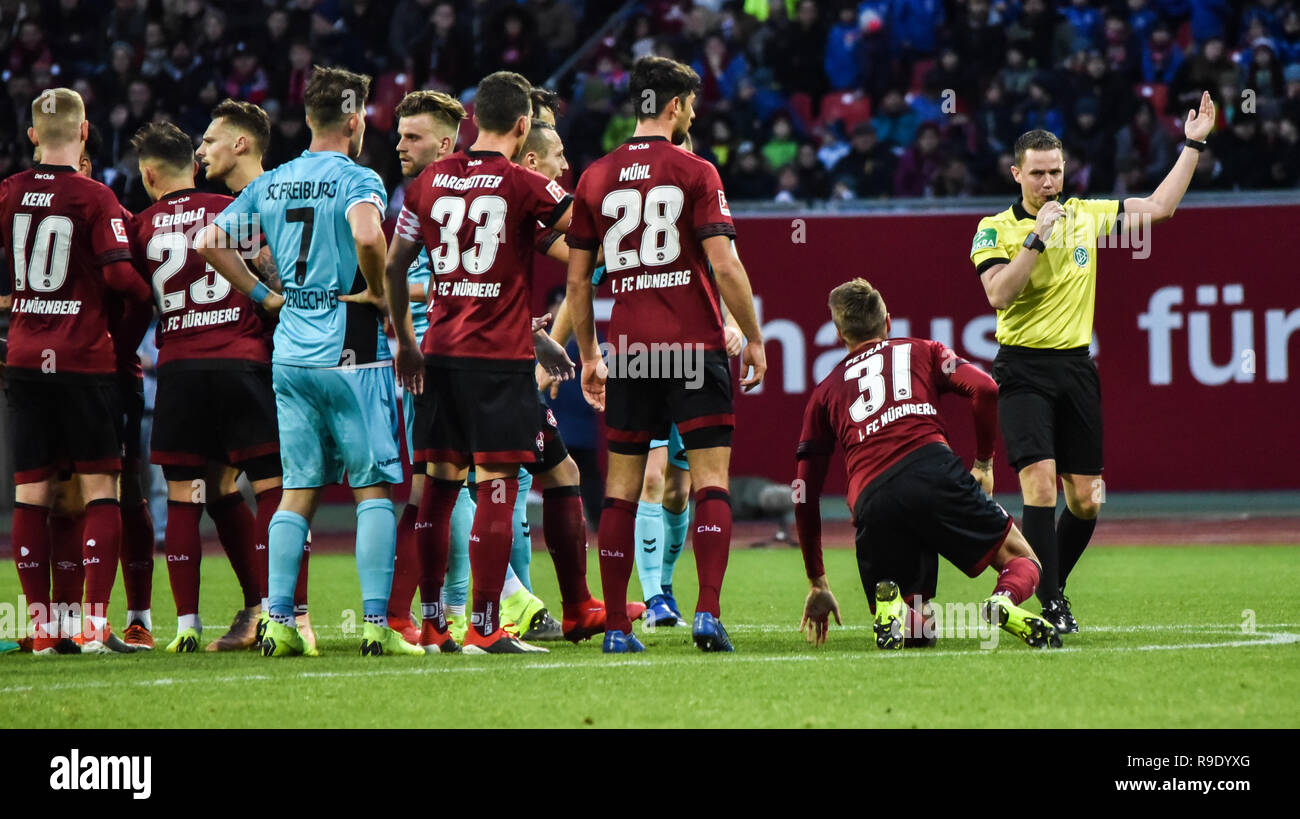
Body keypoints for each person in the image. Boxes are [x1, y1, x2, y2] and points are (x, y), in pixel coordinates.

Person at [969, 92, 1216, 633]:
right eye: (1037, 174)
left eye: (1056, 172)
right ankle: (1051, 602)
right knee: (1038, 484)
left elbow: (1160, 209)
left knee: (1086, 499)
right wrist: (1036, 238)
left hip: (1077, 368)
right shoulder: (994, 228)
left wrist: (1193, 143)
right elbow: (999, 296)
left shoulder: (1087, 216)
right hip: (1022, 367)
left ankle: (1046, 582)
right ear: (1017, 174)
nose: (1049, 183)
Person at [197, 66, 421, 658]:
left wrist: (265, 296)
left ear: (308, 119)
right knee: (372, 489)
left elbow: (211, 242)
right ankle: (376, 626)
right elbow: (370, 236)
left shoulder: (275, 180)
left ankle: (280, 624)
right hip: (350, 349)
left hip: (291, 348)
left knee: (298, 490)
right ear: (356, 121)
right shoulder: (358, 177)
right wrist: (377, 290)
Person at [565, 56, 767, 653]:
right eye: (692, 104)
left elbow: (578, 283)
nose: (694, 114)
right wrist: (753, 337)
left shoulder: (595, 176)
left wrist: (591, 354)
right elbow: (725, 264)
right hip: (693, 347)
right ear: (674, 106)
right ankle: (706, 612)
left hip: (629, 351)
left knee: (620, 492)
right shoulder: (695, 169)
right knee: (710, 485)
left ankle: (620, 630)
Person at [385, 71, 577, 655]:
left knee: (436, 492)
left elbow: (395, 268)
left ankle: (434, 621)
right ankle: (487, 626)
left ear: (472, 121)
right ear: (523, 126)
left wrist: (406, 343)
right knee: (497, 488)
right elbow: (587, 232)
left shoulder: (427, 184)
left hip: (438, 355)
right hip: (497, 362)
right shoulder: (525, 184)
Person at [794, 278, 1060, 650]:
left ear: (839, 334)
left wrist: (817, 581)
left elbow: (804, 493)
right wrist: (984, 462)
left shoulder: (824, 393)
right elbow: (985, 388)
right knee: (1022, 558)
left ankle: (896, 609)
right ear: (888, 321)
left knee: (921, 631)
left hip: (873, 498)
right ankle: (1002, 601)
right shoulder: (924, 350)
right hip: (933, 471)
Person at [1, 87, 153, 654]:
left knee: (31, 496)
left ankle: (42, 628)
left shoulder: (9, 192)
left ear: (33, 135)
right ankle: (92, 623)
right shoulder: (95, 198)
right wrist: (151, 297)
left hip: (24, 359)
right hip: (83, 360)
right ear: (85, 132)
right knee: (100, 491)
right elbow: (118, 279)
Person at [129, 121, 282, 653]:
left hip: (178, 371)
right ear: (195, 164)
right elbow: (273, 276)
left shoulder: (141, 225)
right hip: (241, 363)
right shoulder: (232, 209)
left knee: (187, 496)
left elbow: (130, 300)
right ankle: (276, 612)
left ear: (149, 175)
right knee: (271, 489)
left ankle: (187, 627)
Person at [196, 98, 307, 650]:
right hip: (223, 366)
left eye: (211, 140)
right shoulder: (233, 204)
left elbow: (289, 285)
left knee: (286, 488)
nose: (201, 150)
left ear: (241, 143)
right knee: (215, 487)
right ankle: (259, 609)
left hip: (274, 364)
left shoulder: (274, 196)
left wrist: (266, 295)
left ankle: (289, 615)